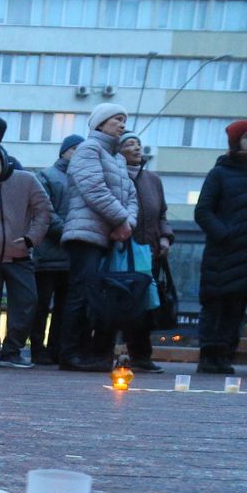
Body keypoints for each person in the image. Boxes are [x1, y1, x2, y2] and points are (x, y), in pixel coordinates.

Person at [194, 119, 247, 375]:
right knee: (215, 305)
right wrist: (224, 234)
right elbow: (203, 211)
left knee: (237, 307)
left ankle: (225, 355)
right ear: (236, 143)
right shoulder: (220, 172)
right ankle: (208, 356)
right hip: (222, 253)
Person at [61, 103, 138, 371]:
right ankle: (69, 353)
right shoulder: (88, 149)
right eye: (117, 119)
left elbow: (131, 196)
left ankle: (89, 352)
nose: (122, 124)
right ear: (100, 123)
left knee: (98, 299)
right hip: (85, 234)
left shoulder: (117, 159)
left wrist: (127, 223)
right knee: (81, 295)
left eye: (124, 119)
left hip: (109, 236)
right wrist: (120, 220)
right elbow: (94, 189)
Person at [0, 140, 49, 367]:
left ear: (2, 157)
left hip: (20, 255)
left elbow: (44, 211)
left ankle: (12, 351)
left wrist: (30, 239)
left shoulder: (27, 180)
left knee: (27, 301)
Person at [118, 133, 172, 372]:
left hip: (149, 253)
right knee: (119, 304)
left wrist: (165, 236)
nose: (136, 148)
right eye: (130, 144)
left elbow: (162, 214)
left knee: (145, 306)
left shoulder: (153, 180)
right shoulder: (115, 176)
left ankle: (141, 355)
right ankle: (108, 352)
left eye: (138, 144)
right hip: (120, 251)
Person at [30, 134, 82, 366]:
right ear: (66, 151)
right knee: (40, 306)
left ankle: (56, 349)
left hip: (71, 256)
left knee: (63, 307)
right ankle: (37, 349)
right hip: (48, 254)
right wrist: (69, 232)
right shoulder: (47, 175)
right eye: (77, 149)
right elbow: (43, 211)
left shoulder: (83, 178)